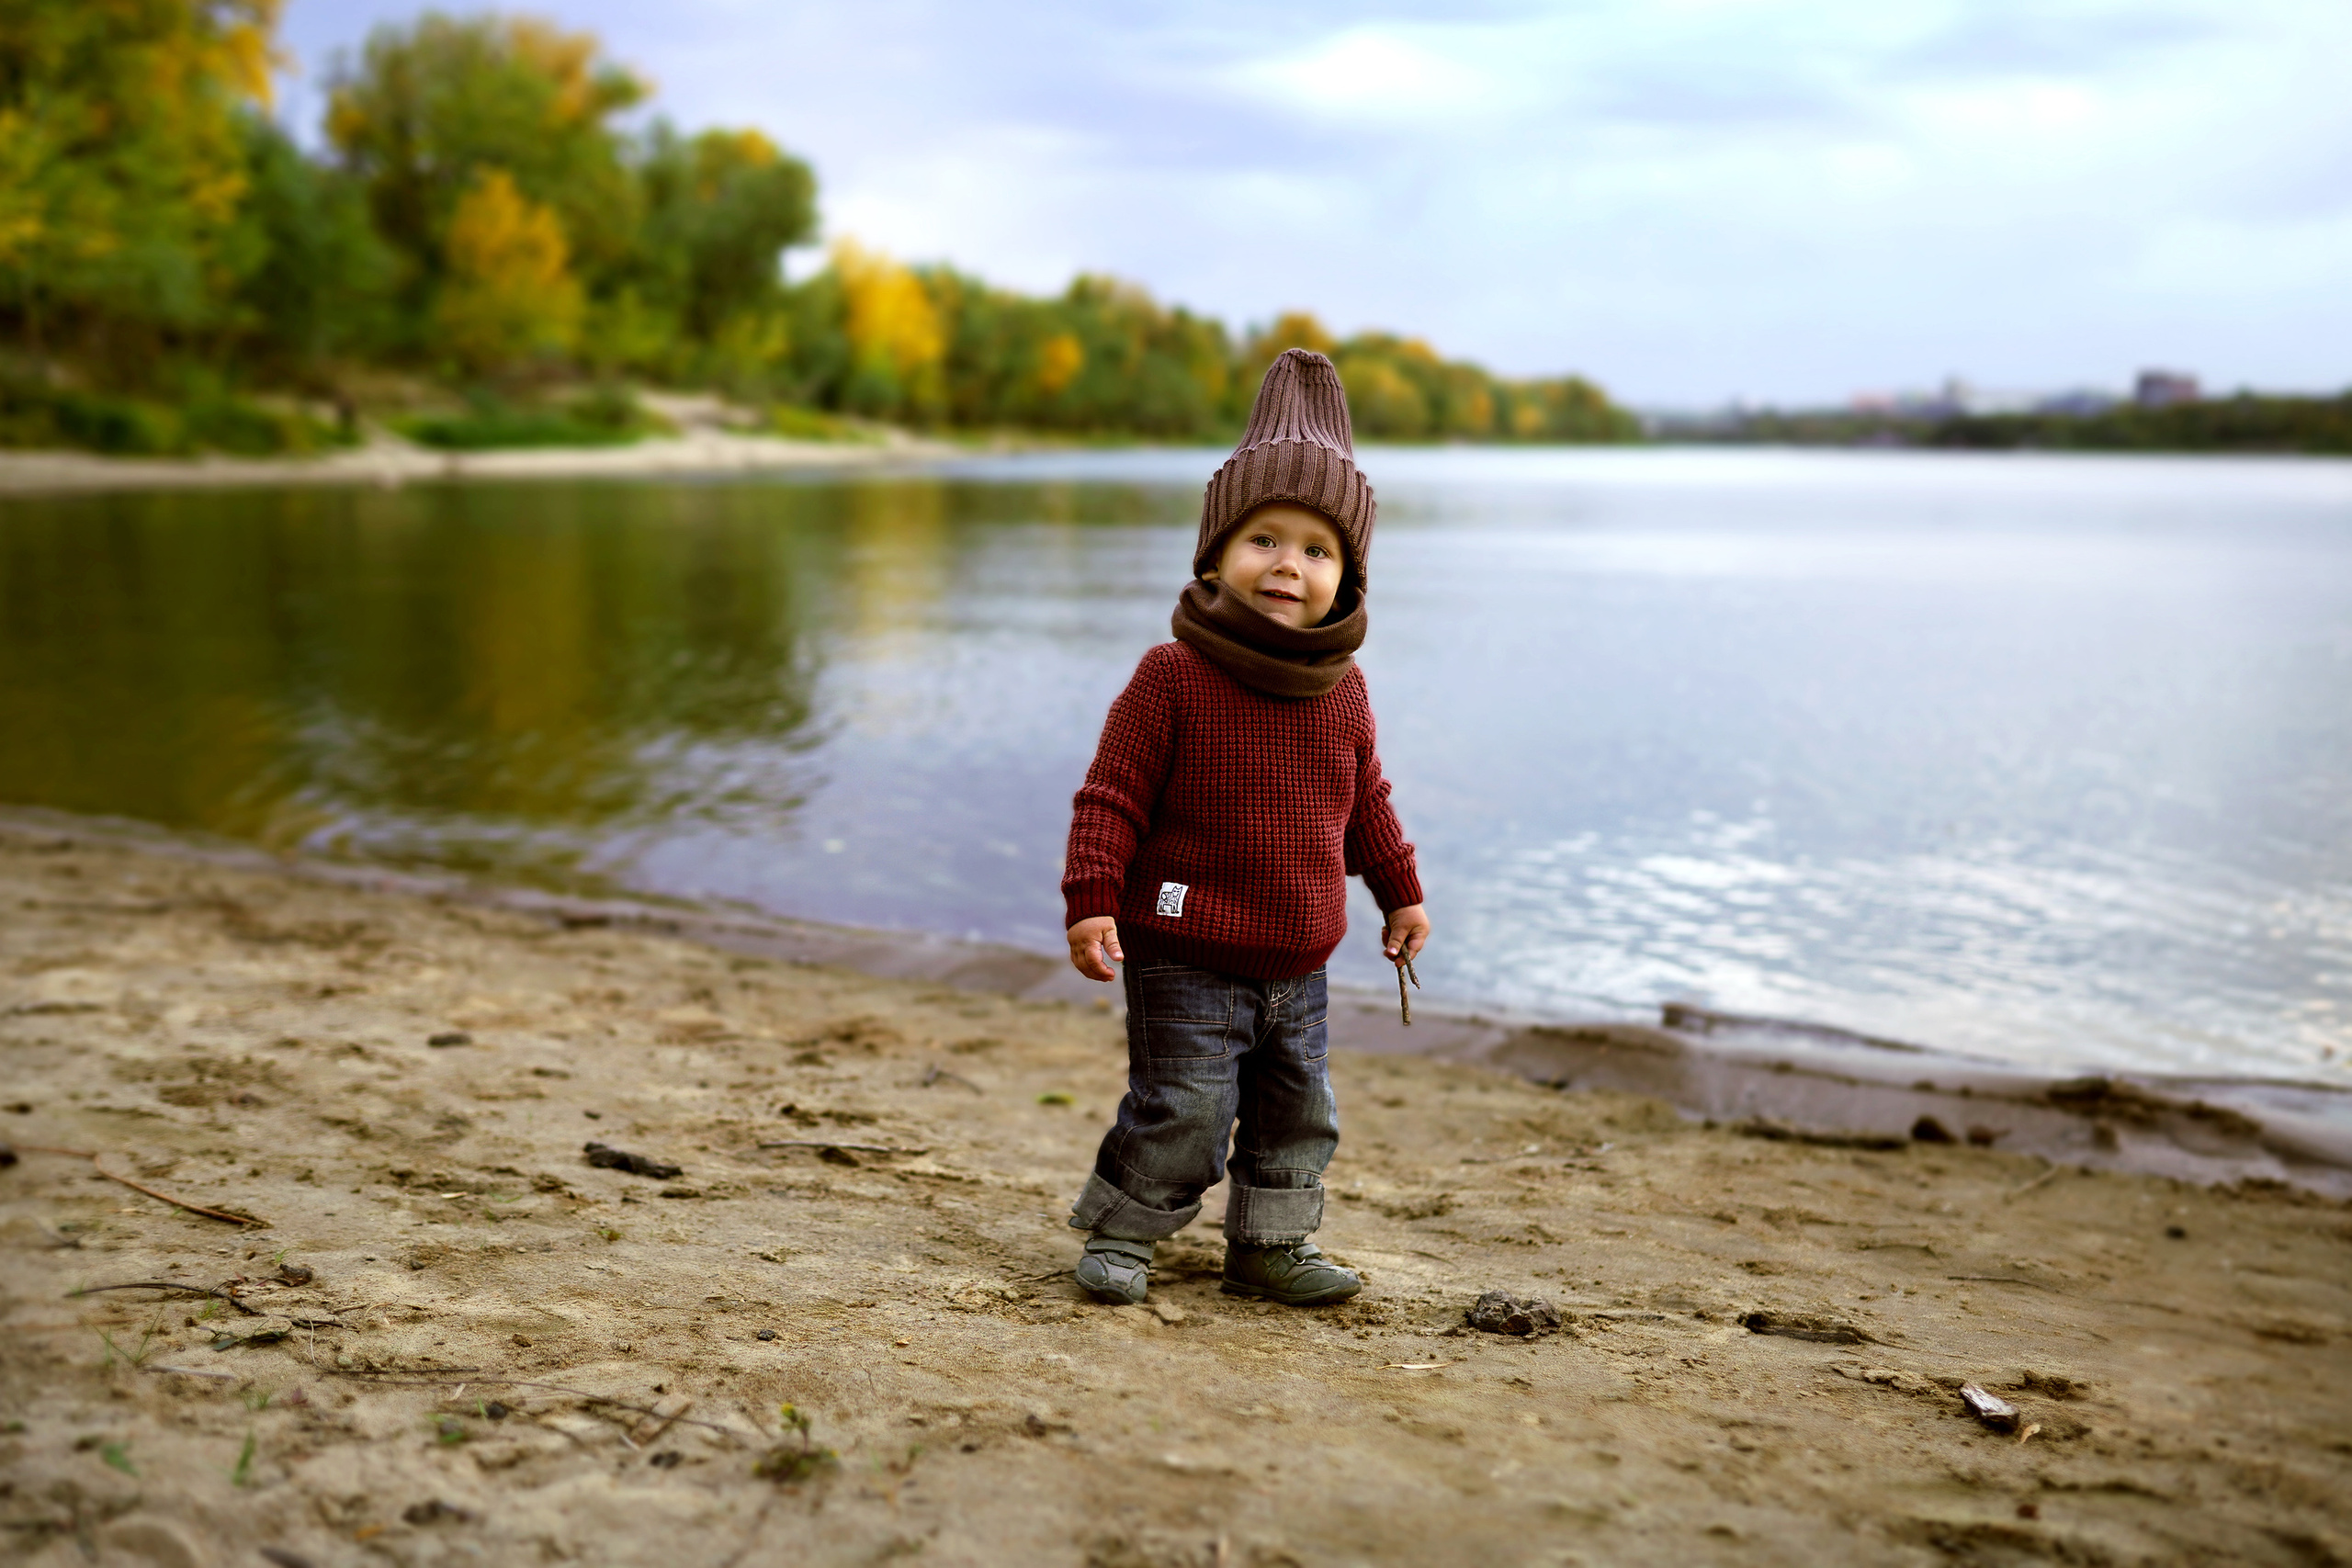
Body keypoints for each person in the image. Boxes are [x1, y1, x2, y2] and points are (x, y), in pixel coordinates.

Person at [1058, 348, 1430, 1308]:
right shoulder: (1171, 676)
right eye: (1264, 538)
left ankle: (1267, 1247)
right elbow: (1111, 798)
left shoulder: (1341, 692)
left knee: (1296, 1112)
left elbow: (1367, 805)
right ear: (1216, 553)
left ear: (1345, 579)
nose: (1286, 565)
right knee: (1182, 1105)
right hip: (1184, 945)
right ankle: (1126, 1233)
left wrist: (1400, 892)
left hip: (1297, 960)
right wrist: (1091, 901)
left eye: (1316, 550)